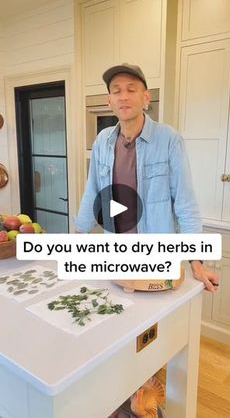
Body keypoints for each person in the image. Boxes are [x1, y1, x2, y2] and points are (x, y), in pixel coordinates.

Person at [75, 63, 219, 292]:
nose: (123, 96)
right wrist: (78, 236)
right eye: (116, 90)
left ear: (145, 98)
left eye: (131, 89)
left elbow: (185, 203)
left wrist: (196, 261)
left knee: (155, 324)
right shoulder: (102, 141)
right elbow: (92, 193)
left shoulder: (169, 139)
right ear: (109, 101)